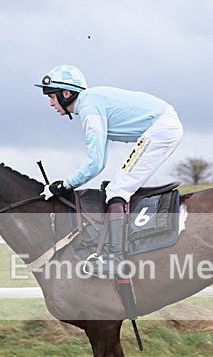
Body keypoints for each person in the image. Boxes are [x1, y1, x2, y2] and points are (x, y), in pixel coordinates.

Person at [35, 64, 183, 276]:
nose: (50, 103)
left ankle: (116, 258)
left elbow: (95, 164)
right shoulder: (90, 103)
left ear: (66, 94)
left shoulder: (89, 109)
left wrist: (64, 185)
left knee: (117, 190)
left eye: (51, 96)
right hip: (162, 125)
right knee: (117, 187)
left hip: (162, 127)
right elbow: (100, 160)